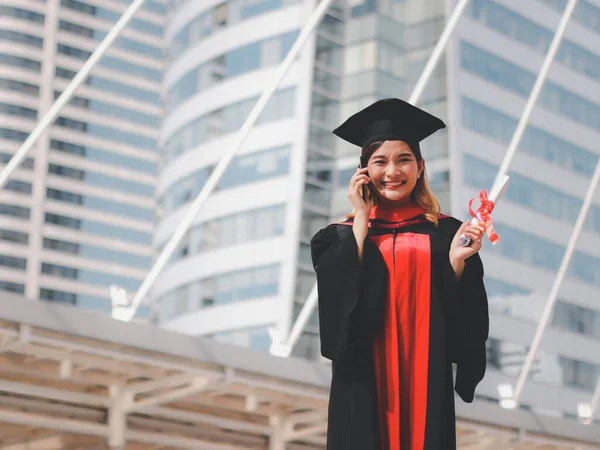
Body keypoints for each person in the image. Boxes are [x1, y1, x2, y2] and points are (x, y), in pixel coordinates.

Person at [310, 98, 489, 450]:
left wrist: (456, 263)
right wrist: (361, 218)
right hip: (364, 382)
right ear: (363, 171)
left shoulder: (446, 233)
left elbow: (466, 321)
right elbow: (335, 315)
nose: (392, 171)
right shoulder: (340, 235)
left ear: (420, 167)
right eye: (380, 161)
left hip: (424, 377)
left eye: (403, 159)